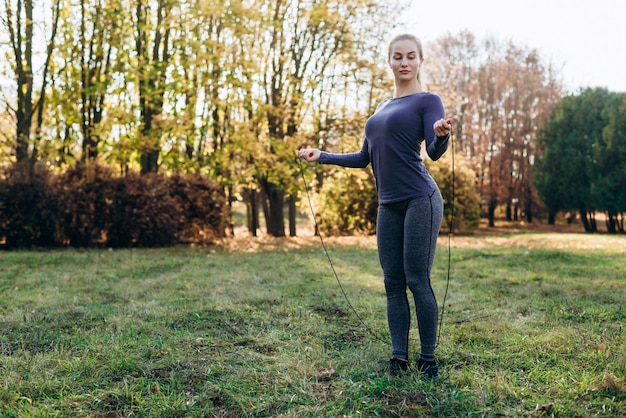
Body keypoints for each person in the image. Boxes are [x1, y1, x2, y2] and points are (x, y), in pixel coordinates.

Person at [298, 33, 451, 378]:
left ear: (420, 60)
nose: (404, 62)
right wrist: (321, 156)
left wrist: (442, 135)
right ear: (390, 61)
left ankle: (428, 359)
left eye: (411, 56)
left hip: (420, 199)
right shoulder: (382, 108)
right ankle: (399, 358)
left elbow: (434, 151)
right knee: (392, 282)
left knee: (417, 279)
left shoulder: (428, 101)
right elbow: (364, 157)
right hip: (388, 204)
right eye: (398, 57)